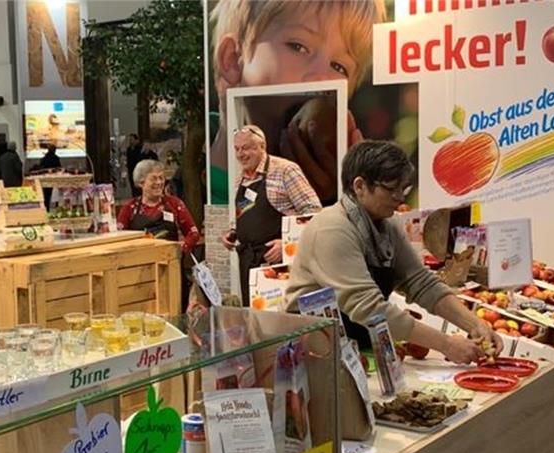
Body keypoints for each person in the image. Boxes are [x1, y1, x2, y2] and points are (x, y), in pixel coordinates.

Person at [285, 141, 502, 364]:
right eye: (391, 189)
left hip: (357, 344)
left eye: (404, 189)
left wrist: (476, 325)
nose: (400, 197)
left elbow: (420, 282)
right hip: (315, 350)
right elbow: (367, 307)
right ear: (360, 186)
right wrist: (445, 344)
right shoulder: (332, 229)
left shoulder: (386, 225)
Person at [208, 0, 385, 206]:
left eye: (339, 67)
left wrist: (347, 199)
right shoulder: (200, 188)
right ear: (233, 59)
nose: (322, 78)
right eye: (298, 46)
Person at [221, 125, 321, 306]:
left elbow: (314, 213)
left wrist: (287, 244)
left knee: (282, 320)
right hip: (249, 262)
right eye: (237, 149)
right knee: (255, 319)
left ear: (262, 146)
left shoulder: (285, 170)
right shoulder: (241, 178)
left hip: (279, 265)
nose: (240, 154)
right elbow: (244, 214)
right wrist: (233, 232)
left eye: (246, 148)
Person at [117, 159, 200, 256]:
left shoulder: (174, 204)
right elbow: (119, 237)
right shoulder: (130, 208)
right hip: (139, 264)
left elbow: (193, 233)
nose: (159, 182)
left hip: (170, 263)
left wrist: (181, 248)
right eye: (154, 178)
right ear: (141, 183)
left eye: (161, 178)